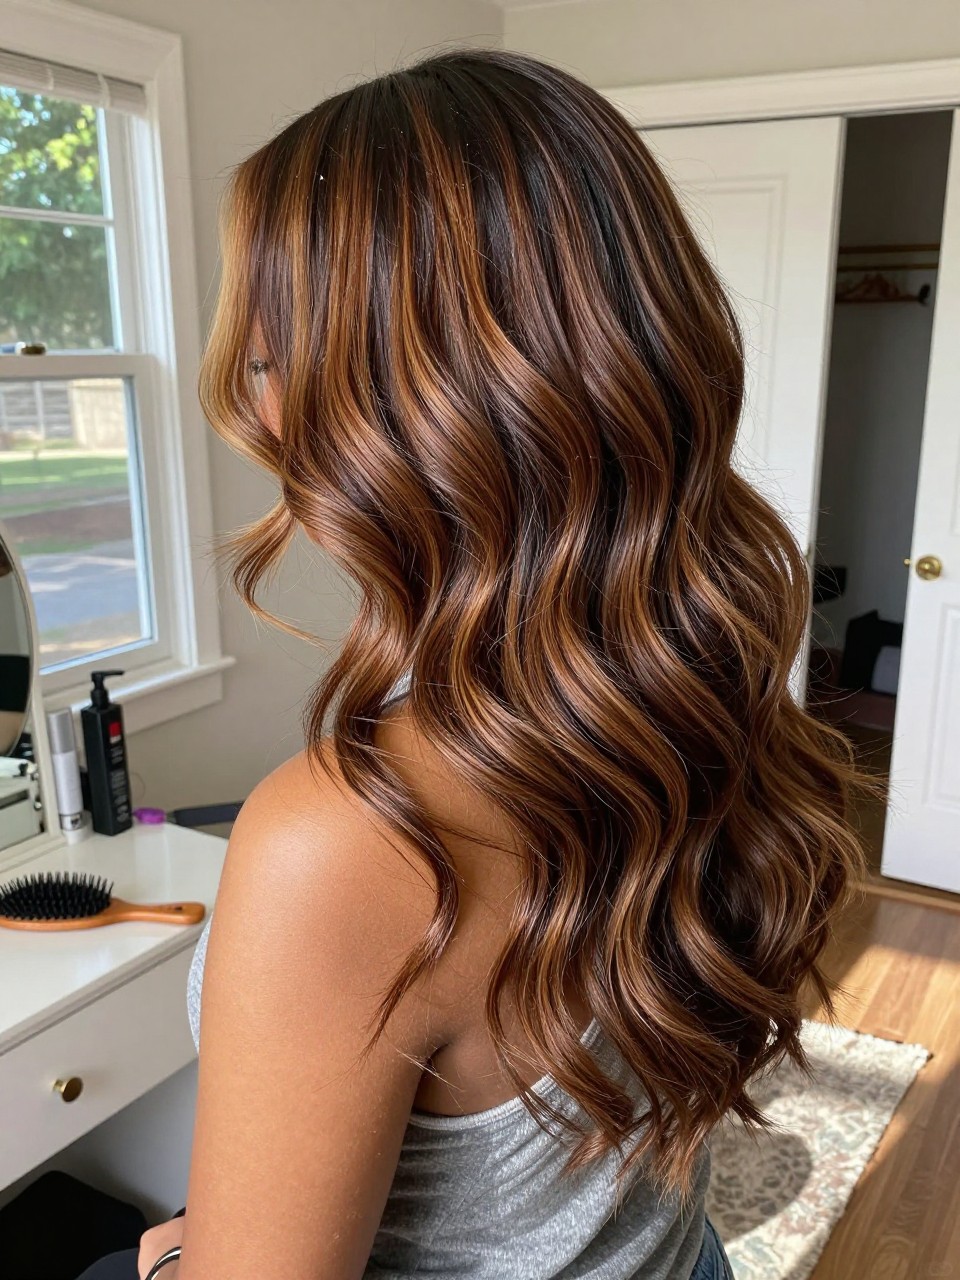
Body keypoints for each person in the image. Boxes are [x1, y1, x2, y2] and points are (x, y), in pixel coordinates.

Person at [83, 48, 875, 1280]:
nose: (259, 400)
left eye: (265, 353)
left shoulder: (342, 843)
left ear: (361, 404)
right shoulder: (693, 687)